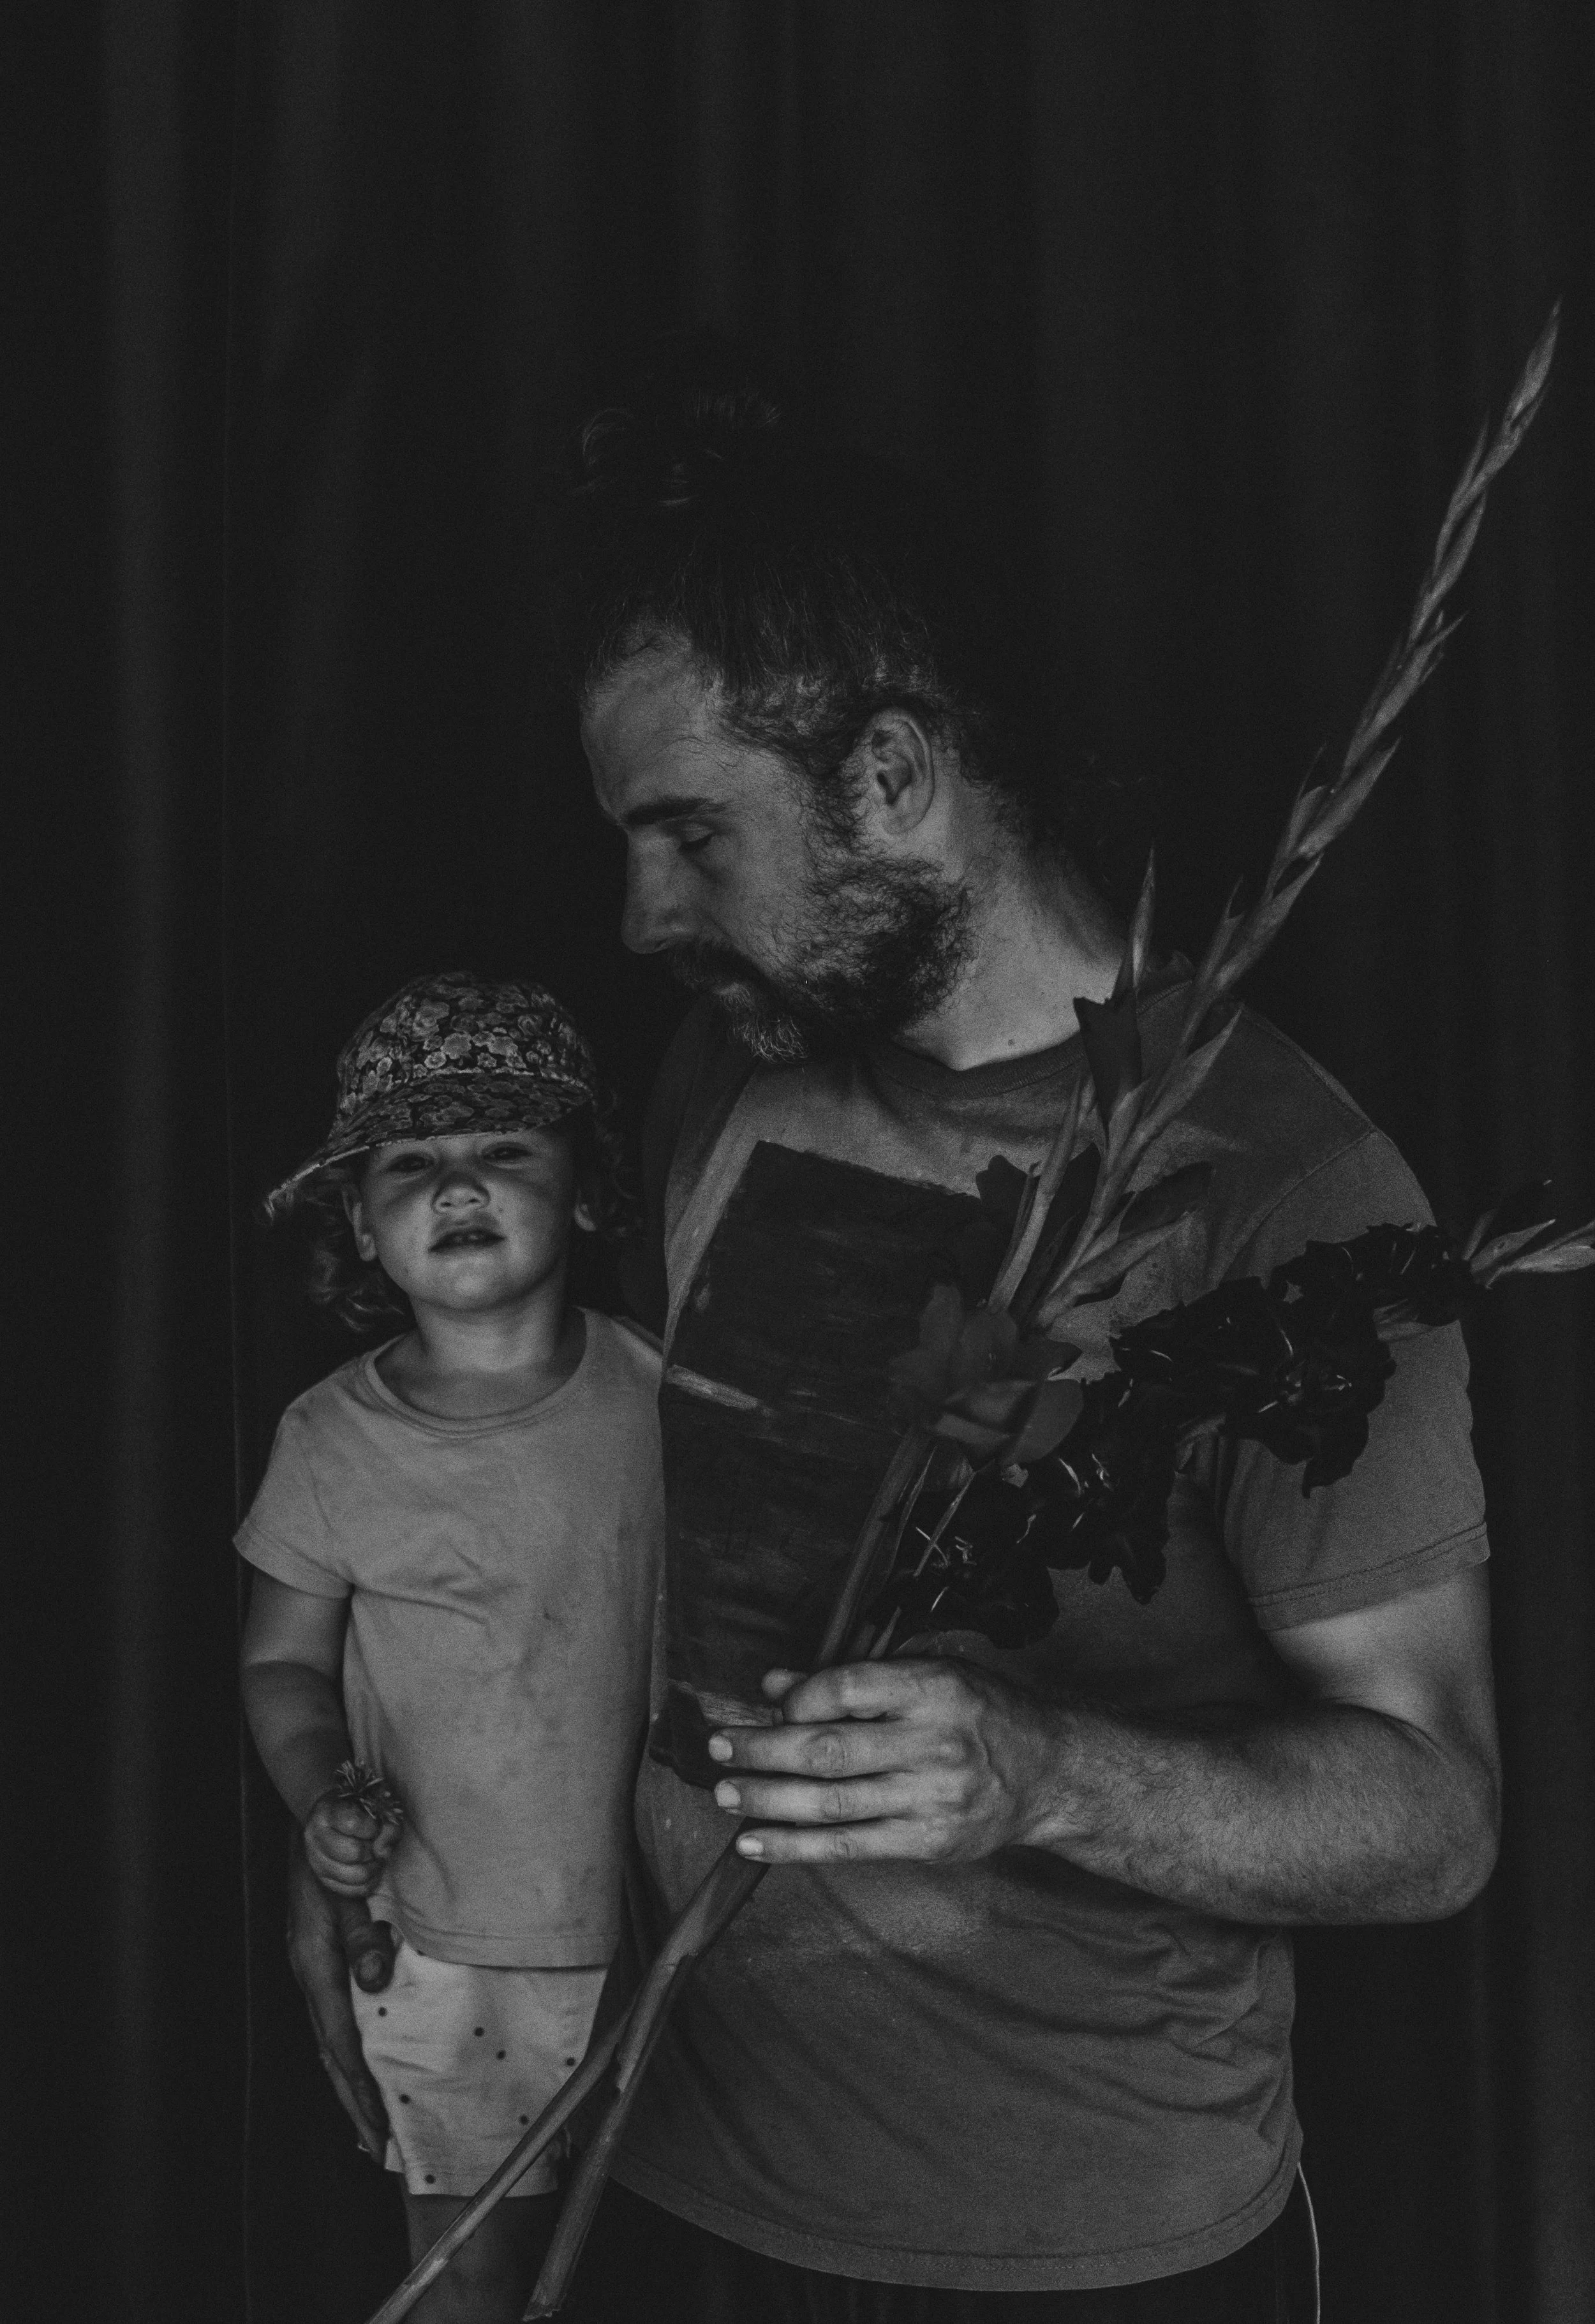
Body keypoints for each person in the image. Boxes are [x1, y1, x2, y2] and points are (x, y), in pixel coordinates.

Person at [293, 382, 1499, 2322]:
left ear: (891, 776)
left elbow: (1435, 1808)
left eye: (690, 834)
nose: (638, 911)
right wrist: (402, 1871)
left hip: (1083, 2251)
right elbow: (613, 1554)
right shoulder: (721, 1074)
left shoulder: (1282, 1191)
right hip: (656, 2171)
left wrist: (1042, 1773)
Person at [242, 970, 664, 2323]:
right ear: (358, 1227)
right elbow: (281, 1665)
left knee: (652, 2265)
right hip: (444, 1946)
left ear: (586, 1191)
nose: (456, 1182)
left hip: (670, 1928)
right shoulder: (327, 1439)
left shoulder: (668, 1396)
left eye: (502, 1148)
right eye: (410, 1162)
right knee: (471, 2279)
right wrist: (323, 1803)